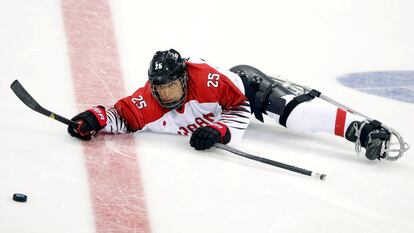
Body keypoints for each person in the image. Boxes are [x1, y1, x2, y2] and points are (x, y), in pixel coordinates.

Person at [67, 49, 391, 160]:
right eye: (160, 89)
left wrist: (221, 132)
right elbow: (121, 116)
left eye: (173, 86)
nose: (167, 95)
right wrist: (95, 119)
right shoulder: (150, 99)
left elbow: (240, 107)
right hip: (224, 104)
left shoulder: (206, 81)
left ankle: (362, 130)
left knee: (297, 116)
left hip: (244, 88)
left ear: (184, 77)